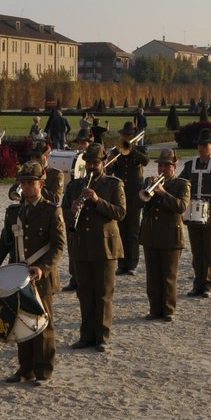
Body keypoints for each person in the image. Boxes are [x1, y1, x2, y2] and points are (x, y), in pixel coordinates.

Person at [0, 163, 65, 383]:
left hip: (41, 277)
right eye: (23, 182)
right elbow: (4, 243)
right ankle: (25, 368)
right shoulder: (13, 212)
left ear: (41, 184)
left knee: (42, 322)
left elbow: (58, 246)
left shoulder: (51, 211)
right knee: (21, 321)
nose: (26, 187)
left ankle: (44, 370)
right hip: (17, 276)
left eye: (31, 182)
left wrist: (43, 268)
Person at [61, 143, 126, 351]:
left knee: (103, 293)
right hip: (82, 246)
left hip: (105, 246)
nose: (91, 166)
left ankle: (102, 336)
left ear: (103, 162)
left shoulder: (113, 184)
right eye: (88, 162)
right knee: (85, 293)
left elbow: (120, 213)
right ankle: (86, 336)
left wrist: (97, 201)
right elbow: (63, 214)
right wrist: (72, 210)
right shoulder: (74, 186)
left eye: (95, 163)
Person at [138, 149, 189, 321]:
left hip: (170, 236)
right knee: (152, 276)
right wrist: (149, 189)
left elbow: (181, 207)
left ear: (174, 167)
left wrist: (163, 193)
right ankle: (154, 309)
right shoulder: (149, 181)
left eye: (166, 166)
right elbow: (138, 202)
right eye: (160, 165)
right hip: (151, 234)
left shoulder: (182, 184)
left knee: (168, 275)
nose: (162, 169)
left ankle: (168, 309)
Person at [181, 130, 211, 297]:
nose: (201, 148)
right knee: (197, 252)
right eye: (199, 145)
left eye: (204, 145)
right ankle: (197, 284)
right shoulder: (189, 165)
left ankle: (208, 284)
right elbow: (181, 184)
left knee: (209, 252)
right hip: (193, 213)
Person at [108, 123, 149, 277]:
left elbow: (145, 161)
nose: (126, 137)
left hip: (134, 195)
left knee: (132, 231)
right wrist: (112, 160)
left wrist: (132, 150)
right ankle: (122, 264)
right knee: (121, 230)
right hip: (119, 195)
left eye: (129, 134)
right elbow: (108, 169)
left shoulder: (140, 149)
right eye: (125, 135)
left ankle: (132, 264)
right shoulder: (115, 150)